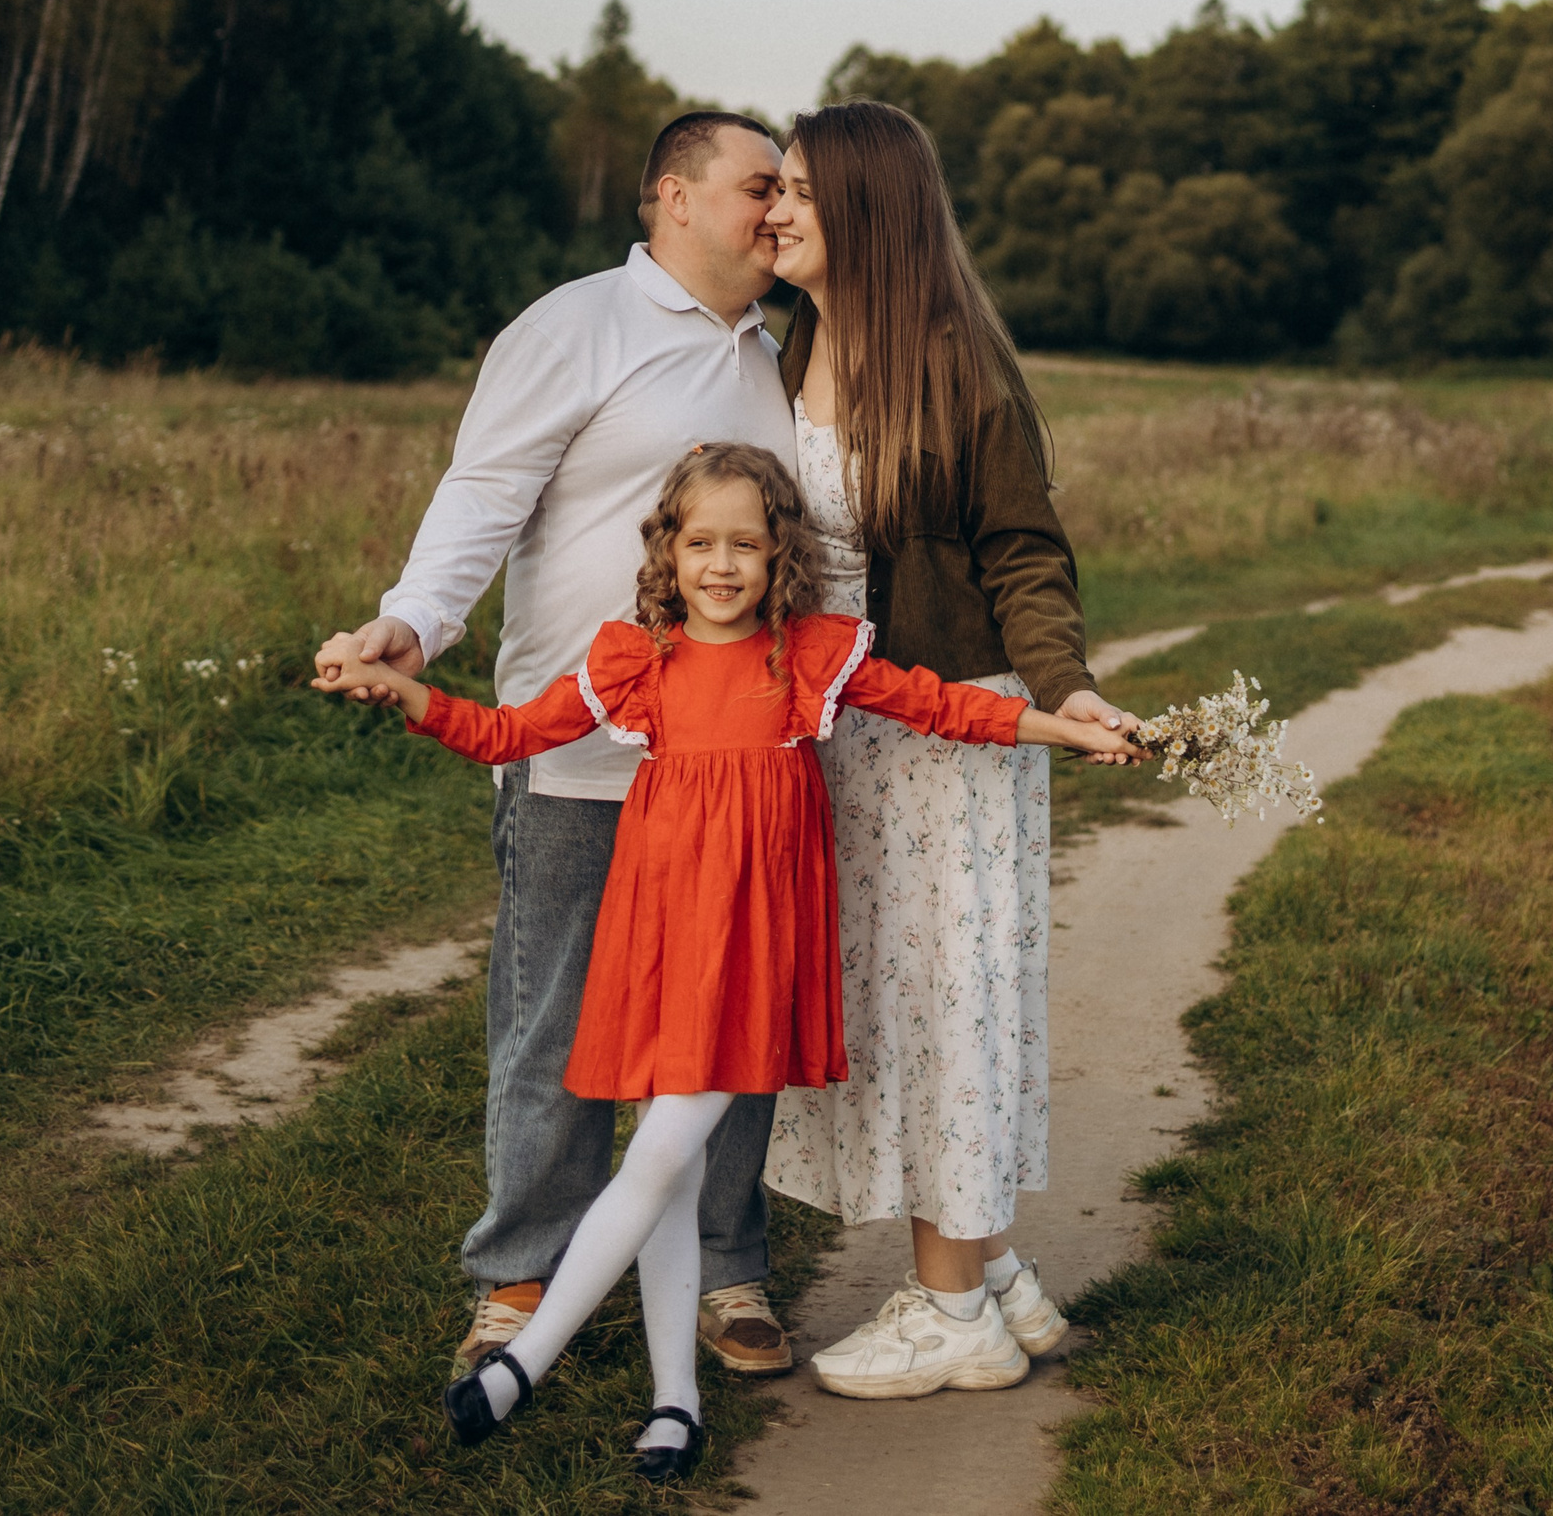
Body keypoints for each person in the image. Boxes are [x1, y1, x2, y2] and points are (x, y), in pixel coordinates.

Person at [314, 445, 1142, 1475]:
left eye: (745, 544)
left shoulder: (808, 656)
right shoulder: (635, 659)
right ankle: (675, 1403)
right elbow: (510, 734)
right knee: (677, 1155)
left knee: (663, 1151)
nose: (721, 564)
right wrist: (405, 694)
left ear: (778, 555)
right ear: (669, 550)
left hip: (752, 945)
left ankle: (527, 1358)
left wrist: (1062, 728)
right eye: (699, 542)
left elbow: (940, 704)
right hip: (662, 935)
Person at [317, 113, 805, 1386]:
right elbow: (483, 492)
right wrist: (417, 624)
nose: (778, 208)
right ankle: (519, 1277)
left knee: (730, 1019)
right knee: (557, 1020)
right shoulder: (573, 324)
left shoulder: (781, 350)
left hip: (740, 765)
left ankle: (727, 1265)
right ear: (672, 197)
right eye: (759, 185)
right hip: (580, 754)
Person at [757, 100, 1141, 1398]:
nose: (779, 208)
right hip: (839, 734)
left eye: (802, 188)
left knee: (948, 1002)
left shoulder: (956, 365)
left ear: (868, 207)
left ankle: (950, 1304)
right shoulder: (784, 345)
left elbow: (1024, 551)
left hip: (947, 731)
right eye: (776, 188)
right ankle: (988, 1263)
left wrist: (1067, 689)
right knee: (900, 1004)